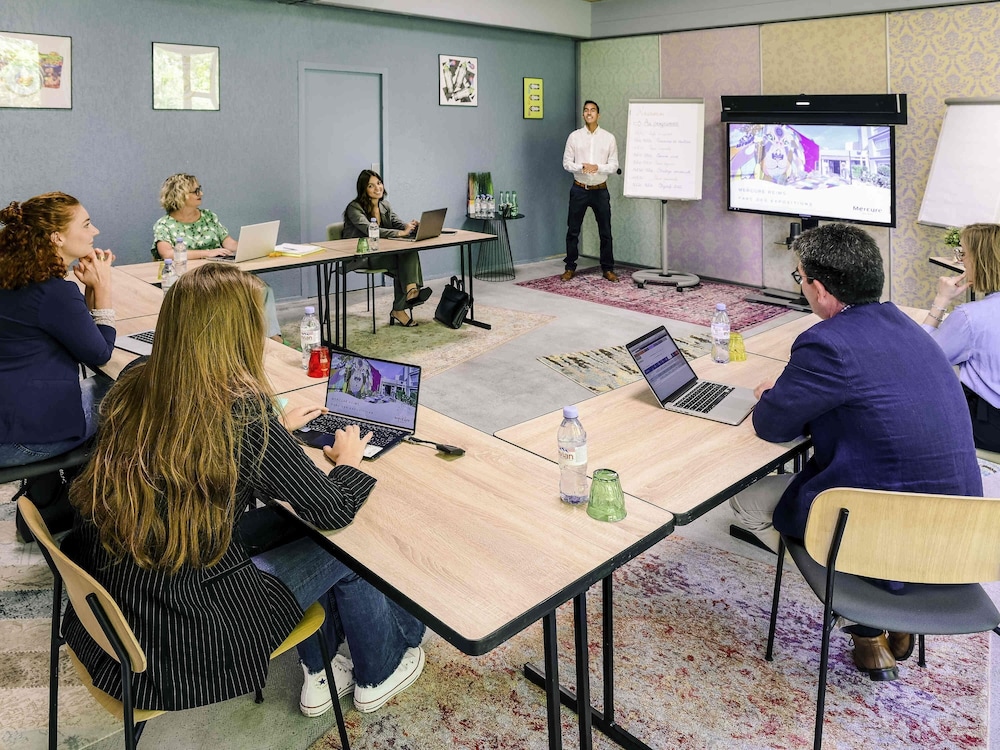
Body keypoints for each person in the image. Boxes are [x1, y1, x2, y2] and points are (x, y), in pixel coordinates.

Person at [62, 263, 426, 719]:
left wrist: (274, 432)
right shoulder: (241, 411)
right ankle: (380, 669)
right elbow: (333, 508)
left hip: (131, 594)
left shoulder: (137, 378)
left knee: (290, 523)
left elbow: (193, 447)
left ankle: (321, 668)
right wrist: (349, 461)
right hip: (191, 633)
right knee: (350, 544)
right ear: (241, 333)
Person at [728, 223, 982, 681]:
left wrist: (775, 395)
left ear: (820, 289)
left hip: (885, 528)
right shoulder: (911, 329)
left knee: (746, 502)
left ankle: (864, 617)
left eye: (800, 277)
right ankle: (890, 612)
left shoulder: (826, 343)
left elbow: (772, 426)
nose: (801, 286)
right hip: (958, 531)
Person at [0, 192, 115, 468]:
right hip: (24, 438)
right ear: (57, 237)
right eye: (86, 224)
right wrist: (103, 289)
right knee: (129, 394)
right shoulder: (54, 292)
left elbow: (79, 336)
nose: (95, 231)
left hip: (8, 420)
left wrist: (90, 292)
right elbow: (99, 354)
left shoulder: (14, 279)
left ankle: (49, 489)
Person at [152, 173, 282, 342]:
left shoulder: (208, 217)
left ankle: (270, 337)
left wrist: (255, 244)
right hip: (188, 278)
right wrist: (207, 253)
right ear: (180, 194)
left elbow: (230, 244)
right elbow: (167, 253)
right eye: (195, 191)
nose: (201, 193)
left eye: (200, 189)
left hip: (218, 273)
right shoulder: (164, 224)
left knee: (261, 288)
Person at [920, 222, 1000, 453]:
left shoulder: (970, 317)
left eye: (963, 254)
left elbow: (923, 358)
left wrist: (942, 300)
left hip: (990, 429)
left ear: (981, 260)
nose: (960, 261)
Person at [342, 170, 431, 328]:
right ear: (363, 189)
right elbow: (370, 229)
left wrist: (411, 227)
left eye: (379, 183)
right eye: (371, 186)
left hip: (381, 253)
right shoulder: (354, 208)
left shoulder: (385, 205)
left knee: (407, 253)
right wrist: (400, 233)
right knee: (404, 262)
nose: (377, 188)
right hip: (361, 255)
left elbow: (397, 223)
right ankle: (407, 297)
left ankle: (407, 297)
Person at [561, 100, 619, 283]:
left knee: (605, 231)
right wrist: (582, 167)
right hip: (579, 189)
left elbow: (614, 165)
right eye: (586, 110)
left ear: (598, 115)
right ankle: (570, 267)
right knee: (573, 230)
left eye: (592, 110)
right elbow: (566, 163)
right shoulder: (574, 137)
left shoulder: (609, 138)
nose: (589, 113)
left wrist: (597, 167)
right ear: (583, 114)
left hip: (600, 190)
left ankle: (608, 269)